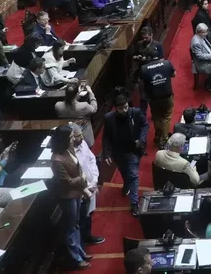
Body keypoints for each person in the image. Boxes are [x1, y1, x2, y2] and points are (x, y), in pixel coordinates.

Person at [50, 124, 93, 269]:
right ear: (63, 139)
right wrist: (83, 179)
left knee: (75, 224)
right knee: (70, 228)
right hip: (68, 196)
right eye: (70, 137)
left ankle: (80, 251)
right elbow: (67, 182)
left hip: (77, 193)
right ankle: (75, 258)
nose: (73, 139)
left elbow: (78, 168)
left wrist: (83, 187)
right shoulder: (57, 160)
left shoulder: (68, 149)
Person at [101, 93, 147, 215]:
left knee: (133, 175)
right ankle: (126, 183)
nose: (124, 110)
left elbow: (145, 125)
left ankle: (134, 203)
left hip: (133, 151)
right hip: (118, 152)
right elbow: (106, 137)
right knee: (124, 173)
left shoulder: (135, 113)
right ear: (115, 108)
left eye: (126, 107)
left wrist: (141, 140)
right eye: (121, 108)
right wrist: (106, 154)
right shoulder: (109, 118)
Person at [139, 55, 176, 147]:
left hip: (153, 97)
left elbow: (141, 83)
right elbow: (174, 74)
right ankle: (164, 140)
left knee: (156, 117)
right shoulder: (166, 63)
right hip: (167, 96)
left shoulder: (144, 68)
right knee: (166, 116)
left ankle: (158, 136)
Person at [190, 23, 211, 89]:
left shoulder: (201, 36)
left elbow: (206, 45)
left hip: (208, 57)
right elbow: (200, 56)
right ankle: (209, 84)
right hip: (202, 64)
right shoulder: (196, 42)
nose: (206, 33)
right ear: (199, 32)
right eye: (205, 32)